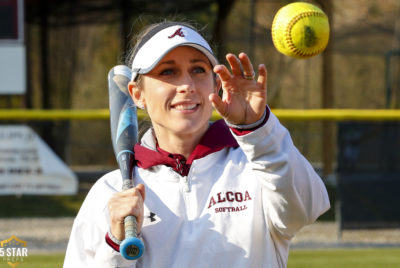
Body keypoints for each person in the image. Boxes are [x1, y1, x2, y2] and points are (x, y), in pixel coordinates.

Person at [64, 21, 330, 268]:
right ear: (137, 94)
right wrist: (115, 243)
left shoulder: (257, 163)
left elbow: (306, 208)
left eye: (198, 70)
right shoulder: (112, 192)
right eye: (168, 71)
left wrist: (257, 130)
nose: (187, 85)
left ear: (216, 84)